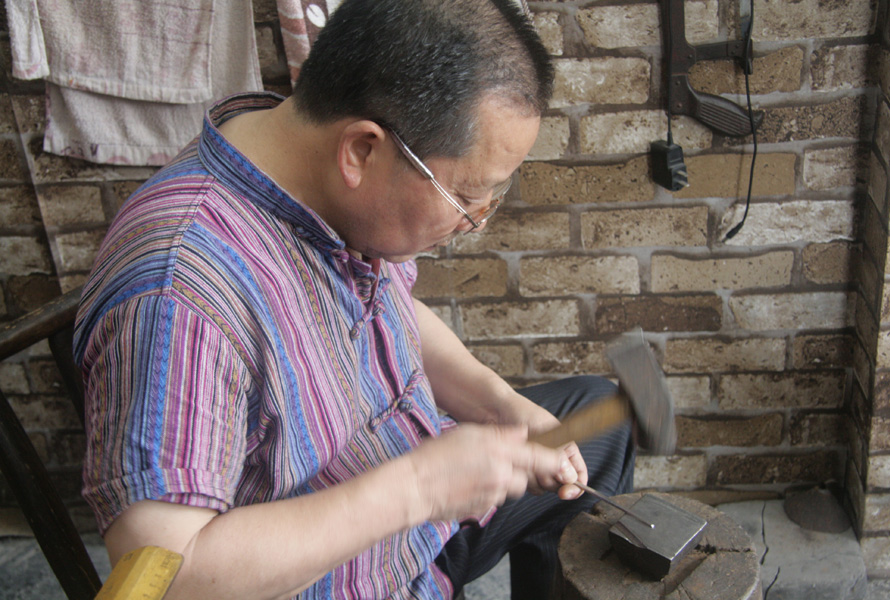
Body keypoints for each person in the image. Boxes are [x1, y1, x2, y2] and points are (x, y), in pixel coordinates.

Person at [73, 1, 634, 598]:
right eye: (467, 195)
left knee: (599, 424)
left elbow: (390, 314)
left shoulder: (312, 170)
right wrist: (418, 488)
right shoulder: (178, 295)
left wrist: (500, 407)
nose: (474, 223)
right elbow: (165, 577)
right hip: (345, 572)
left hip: (418, 523)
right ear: (363, 151)